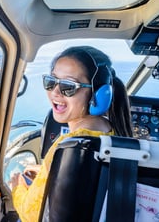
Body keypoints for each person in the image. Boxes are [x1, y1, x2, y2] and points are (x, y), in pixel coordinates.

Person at [10, 46, 133, 222]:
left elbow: (33, 215)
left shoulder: (69, 145)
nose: (55, 92)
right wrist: (46, 172)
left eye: (69, 86)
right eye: (51, 81)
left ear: (99, 94)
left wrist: (17, 189)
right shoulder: (109, 130)